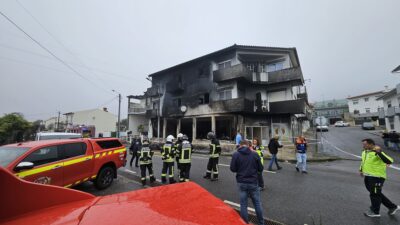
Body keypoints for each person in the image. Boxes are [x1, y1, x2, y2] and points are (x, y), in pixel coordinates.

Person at [359, 138, 399, 217]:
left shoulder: (377, 151)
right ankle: (392, 207)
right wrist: (361, 170)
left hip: (377, 177)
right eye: (363, 144)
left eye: (365, 144)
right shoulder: (364, 152)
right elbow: (363, 161)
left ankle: (375, 212)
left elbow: (389, 161)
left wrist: (379, 153)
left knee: (374, 194)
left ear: (371, 144)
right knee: (375, 193)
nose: (363, 145)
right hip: (368, 176)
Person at [230, 140, 265, 225]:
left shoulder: (236, 154)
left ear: (240, 145)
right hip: (253, 182)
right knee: (257, 203)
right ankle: (261, 223)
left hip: (241, 182)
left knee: (243, 204)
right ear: (248, 145)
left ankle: (245, 223)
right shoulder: (254, 154)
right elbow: (261, 169)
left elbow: (233, 169)